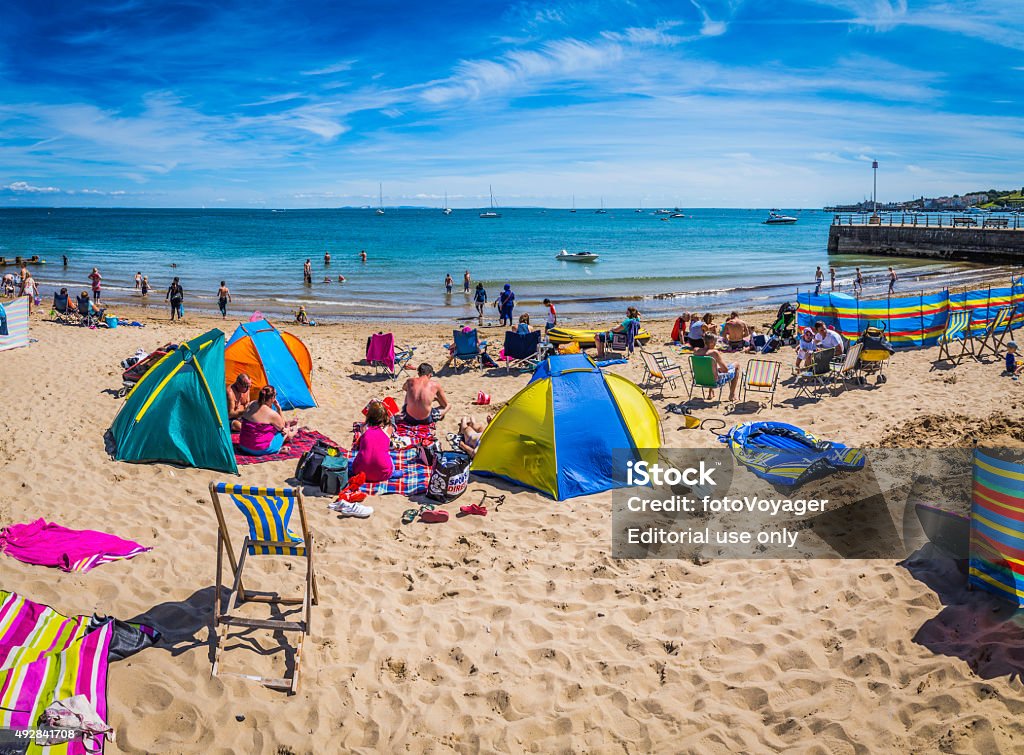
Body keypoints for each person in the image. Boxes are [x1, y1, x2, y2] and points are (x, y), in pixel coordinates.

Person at [237, 386, 299, 456]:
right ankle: (292, 433)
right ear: (272, 398)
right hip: (259, 449)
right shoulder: (271, 414)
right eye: (276, 395)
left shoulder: (251, 404)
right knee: (284, 431)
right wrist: (279, 408)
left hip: (243, 445)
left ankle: (289, 426)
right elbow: (282, 427)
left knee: (271, 427)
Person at [351, 400, 395, 482]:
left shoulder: (364, 427)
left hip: (360, 472)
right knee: (390, 460)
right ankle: (394, 473)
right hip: (382, 474)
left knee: (355, 460)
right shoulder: (389, 429)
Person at [694, 333, 739, 401]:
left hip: (700, 380)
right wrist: (720, 369)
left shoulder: (696, 351)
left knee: (711, 368)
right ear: (712, 342)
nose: (716, 344)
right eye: (715, 342)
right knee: (736, 365)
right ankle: (732, 395)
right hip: (715, 382)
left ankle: (710, 393)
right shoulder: (714, 353)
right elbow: (725, 370)